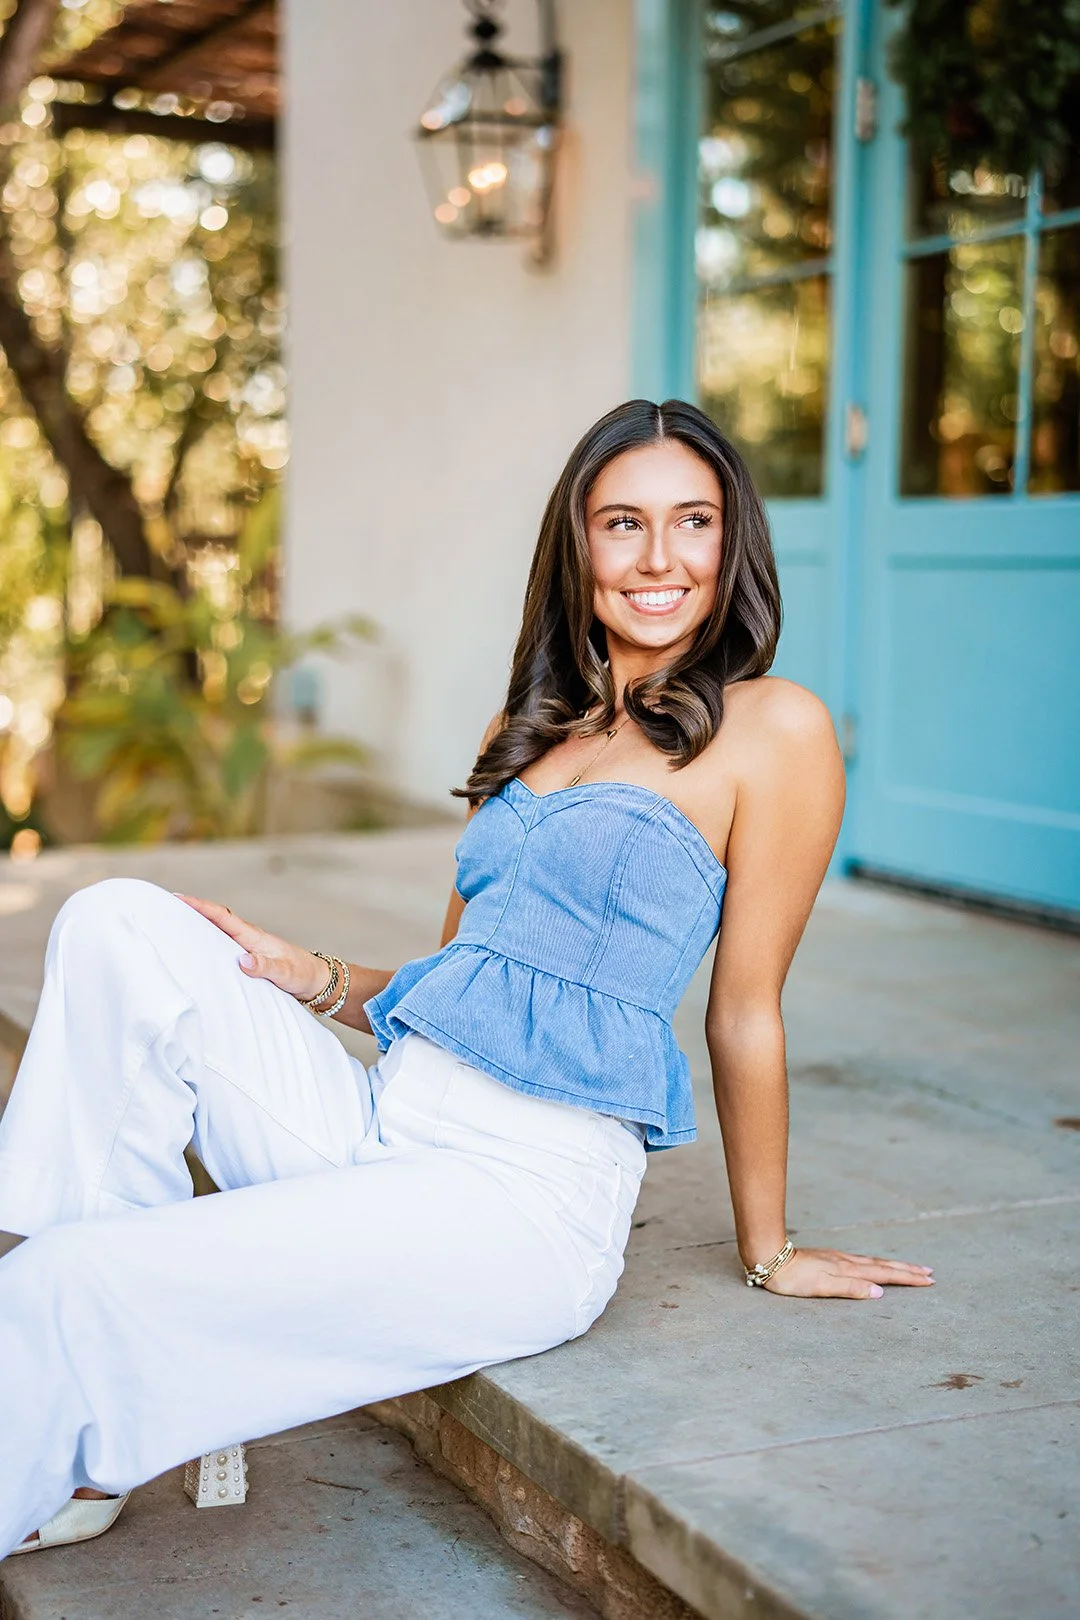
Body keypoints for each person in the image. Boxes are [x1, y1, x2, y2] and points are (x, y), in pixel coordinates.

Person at [0, 399, 932, 1561]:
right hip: (385, 1121)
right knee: (117, 924)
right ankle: (112, 1377)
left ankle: (93, 1368)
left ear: (732, 540)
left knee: (65, 1282)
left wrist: (772, 1247)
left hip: (519, 1200)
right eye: (623, 523)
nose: (658, 557)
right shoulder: (530, 727)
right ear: (577, 544)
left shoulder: (772, 728)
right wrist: (312, 976)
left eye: (692, 521)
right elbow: (457, 984)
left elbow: (745, 1011)